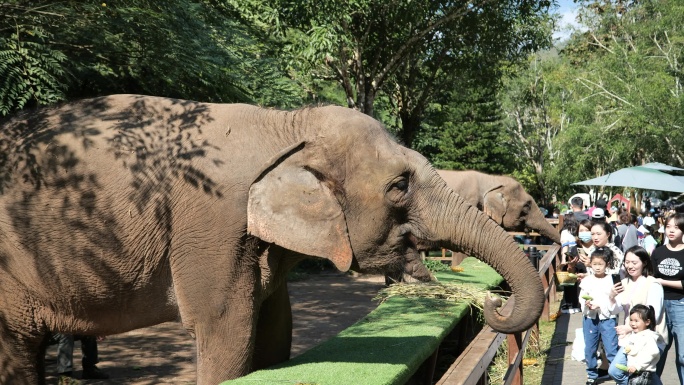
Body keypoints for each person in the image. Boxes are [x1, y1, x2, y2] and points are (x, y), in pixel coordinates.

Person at [608, 246, 667, 385]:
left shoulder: (653, 284)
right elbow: (614, 309)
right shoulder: (624, 283)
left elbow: (654, 315)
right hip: (631, 339)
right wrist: (611, 296)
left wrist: (629, 327)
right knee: (617, 371)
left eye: (634, 262)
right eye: (627, 262)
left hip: (650, 339)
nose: (630, 266)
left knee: (647, 376)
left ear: (644, 262)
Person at [580, 247, 622, 385]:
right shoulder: (586, 281)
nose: (597, 267)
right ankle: (592, 373)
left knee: (611, 347)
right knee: (590, 347)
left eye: (600, 264)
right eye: (594, 264)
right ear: (590, 264)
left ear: (607, 264)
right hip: (590, 318)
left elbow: (616, 301)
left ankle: (617, 375)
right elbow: (581, 298)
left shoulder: (612, 280)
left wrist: (601, 305)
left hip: (607, 318)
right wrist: (586, 304)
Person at [652, 213, 684, 384]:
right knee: (657, 351)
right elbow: (650, 277)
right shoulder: (658, 252)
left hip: (681, 305)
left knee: (683, 355)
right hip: (659, 306)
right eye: (668, 227)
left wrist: (663, 281)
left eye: (676, 227)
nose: (671, 231)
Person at [611, 305, 662, 385]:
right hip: (635, 373)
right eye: (631, 320)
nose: (633, 323)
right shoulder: (636, 334)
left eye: (636, 321)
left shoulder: (648, 336)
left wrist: (637, 366)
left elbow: (653, 352)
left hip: (644, 374)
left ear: (647, 322)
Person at [560, 213, 583, 313]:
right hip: (578, 257)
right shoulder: (576, 232)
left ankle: (568, 305)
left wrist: (563, 261)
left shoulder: (565, 232)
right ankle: (575, 304)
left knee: (568, 283)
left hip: (569, 258)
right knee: (575, 283)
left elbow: (565, 246)